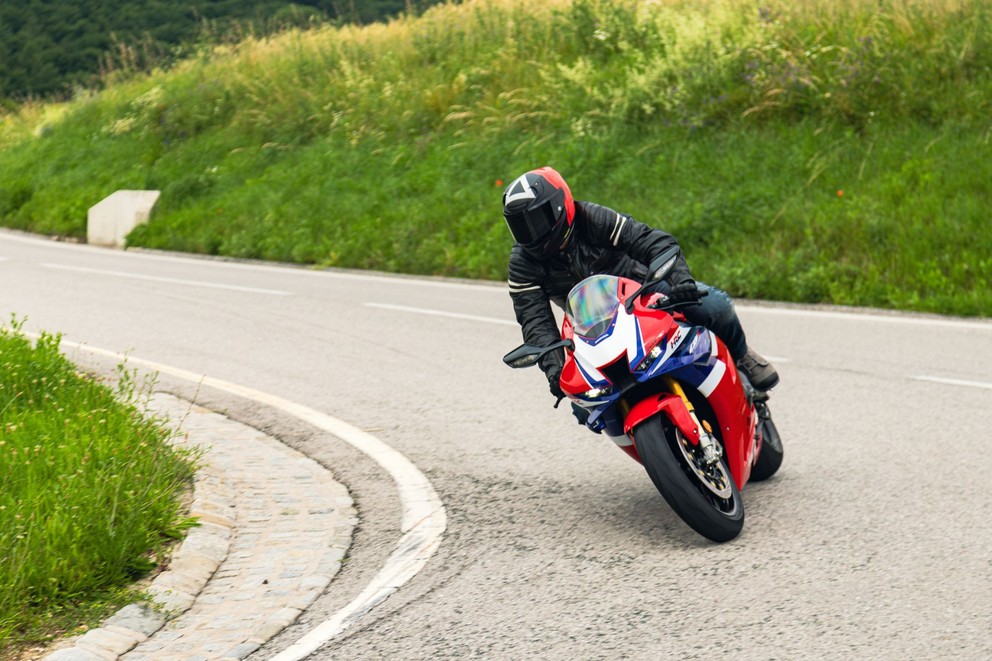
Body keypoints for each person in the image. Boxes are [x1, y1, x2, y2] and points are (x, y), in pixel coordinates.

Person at [502, 166, 778, 410]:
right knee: (579, 401)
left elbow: (652, 241)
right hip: (588, 323)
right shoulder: (523, 263)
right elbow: (535, 320)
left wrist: (680, 281)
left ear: (561, 204)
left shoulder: (592, 219)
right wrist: (554, 371)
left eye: (538, 220)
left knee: (712, 306)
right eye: (521, 226)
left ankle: (742, 356)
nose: (532, 233)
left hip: (643, 290)